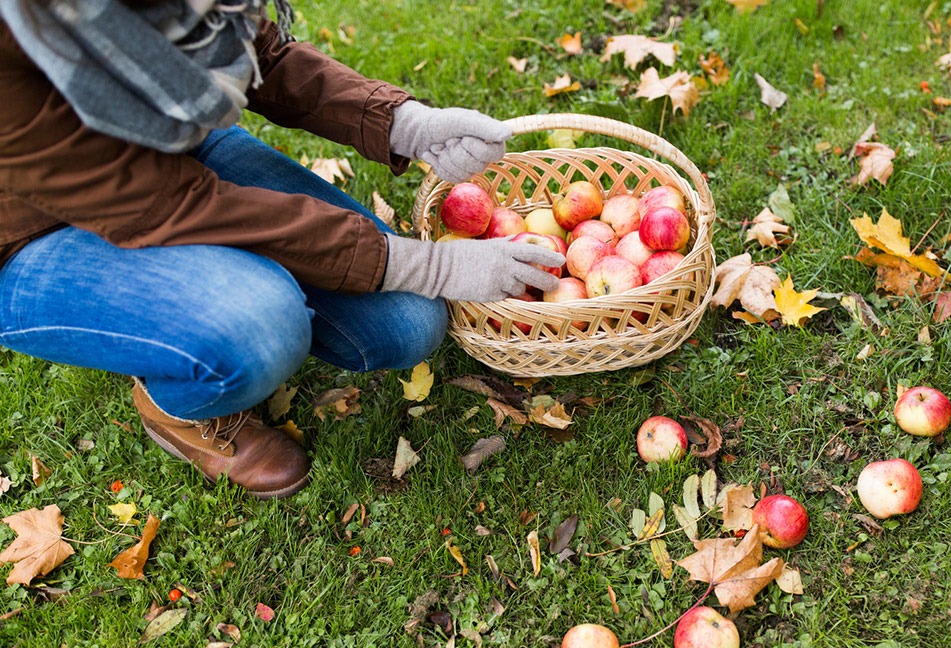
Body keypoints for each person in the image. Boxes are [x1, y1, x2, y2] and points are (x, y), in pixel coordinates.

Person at [0, 0, 563, 498]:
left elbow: (257, 53)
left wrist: (404, 124)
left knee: (407, 322)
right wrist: (429, 265)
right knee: (260, 328)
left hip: (168, 147)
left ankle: (194, 298)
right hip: (34, 228)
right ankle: (177, 401)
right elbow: (172, 205)